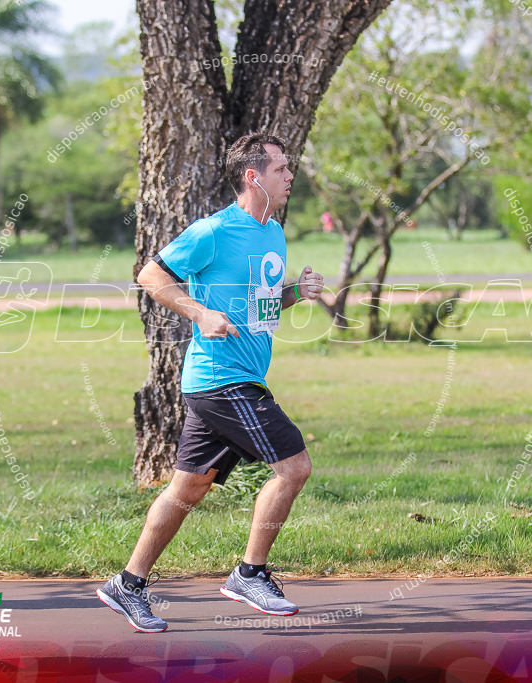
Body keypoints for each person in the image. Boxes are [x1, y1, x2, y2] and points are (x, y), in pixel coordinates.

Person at [97, 132, 324, 633]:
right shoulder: (213, 230)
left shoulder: (273, 233)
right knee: (294, 467)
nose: (290, 176)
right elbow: (150, 276)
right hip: (226, 380)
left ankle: (127, 585)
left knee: (188, 488)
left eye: (289, 168)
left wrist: (295, 294)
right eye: (281, 168)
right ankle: (249, 573)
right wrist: (199, 313)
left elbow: (261, 305)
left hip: (223, 382)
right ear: (253, 176)